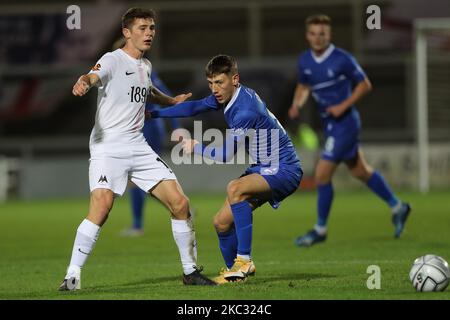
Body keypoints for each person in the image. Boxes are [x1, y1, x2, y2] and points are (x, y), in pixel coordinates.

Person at [59, 7, 216, 291]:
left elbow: (148, 91)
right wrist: (83, 82)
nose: (149, 33)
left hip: (138, 146)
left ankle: (190, 272)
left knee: (180, 204)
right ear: (126, 32)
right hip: (108, 147)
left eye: (152, 28)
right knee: (102, 207)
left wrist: (170, 102)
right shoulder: (112, 59)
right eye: (142, 28)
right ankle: (72, 275)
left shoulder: (145, 66)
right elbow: (92, 76)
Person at [148, 54, 303, 284]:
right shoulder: (228, 97)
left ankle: (244, 261)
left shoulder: (245, 110)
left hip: (284, 169)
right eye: (210, 83)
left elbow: (224, 155)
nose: (214, 89)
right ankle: (235, 274)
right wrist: (153, 114)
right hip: (264, 167)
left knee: (235, 188)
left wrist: (196, 146)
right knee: (221, 222)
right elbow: (195, 107)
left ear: (235, 79)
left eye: (219, 82)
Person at [287, 14, 411, 247]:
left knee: (322, 174)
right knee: (360, 171)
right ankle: (398, 206)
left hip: (346, 123)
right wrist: (296, 104)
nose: (317, 38)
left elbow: (365, 84)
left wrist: (342, 106)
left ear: (329, 35)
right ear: (307, 36)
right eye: (313, 34)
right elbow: (303, 86)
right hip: (330, 124)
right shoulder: (305, 61)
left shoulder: (342, 59)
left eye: (322, 33)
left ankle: (320, 229)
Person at [120, 70, 181, 237]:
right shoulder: (145, 72)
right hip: (151, 128)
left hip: (145, 129)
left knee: (135, 178)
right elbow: (168, 97)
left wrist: (177, 128)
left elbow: (168, 99)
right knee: (146, 177)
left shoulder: (137, 72)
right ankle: (178, 204)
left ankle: (138, 225)